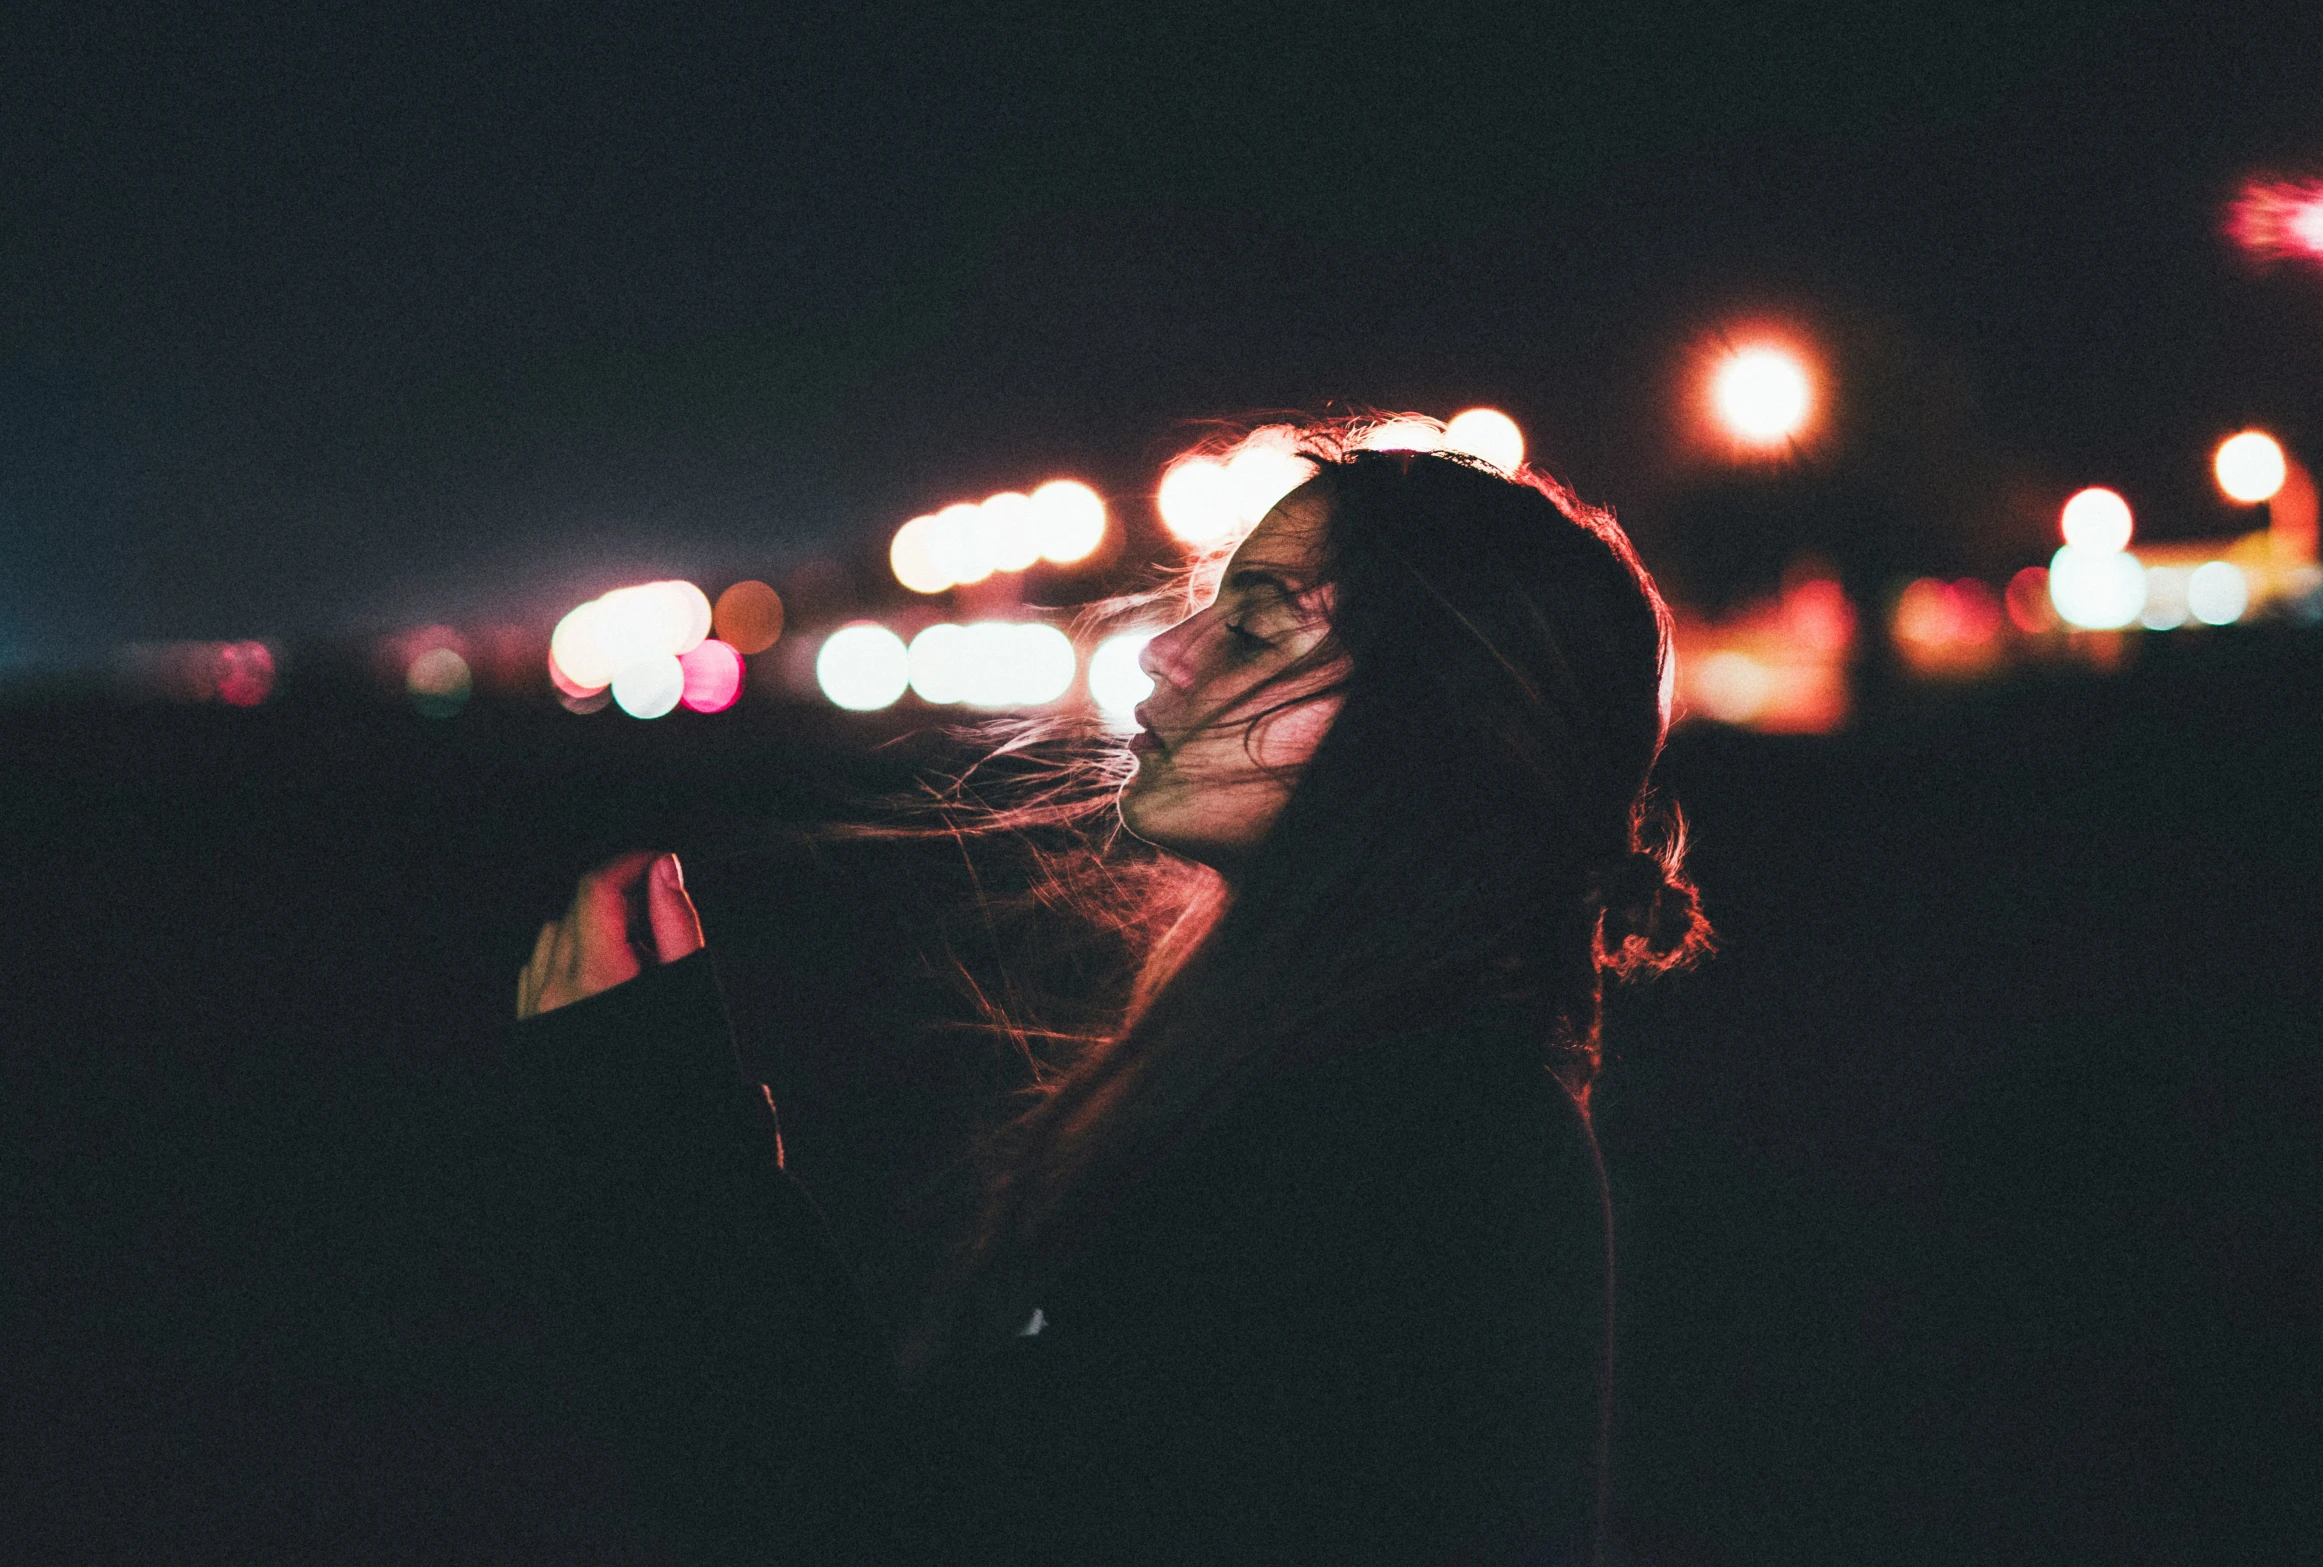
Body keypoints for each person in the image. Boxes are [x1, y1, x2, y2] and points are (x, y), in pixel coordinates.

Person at [503, 421, 1712, 1564]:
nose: (1164, 651)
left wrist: (652, 1132)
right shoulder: (1399, 1097)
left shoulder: (1405, 1145)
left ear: (1432, 725)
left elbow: (872, 1528)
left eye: (1256, 625)